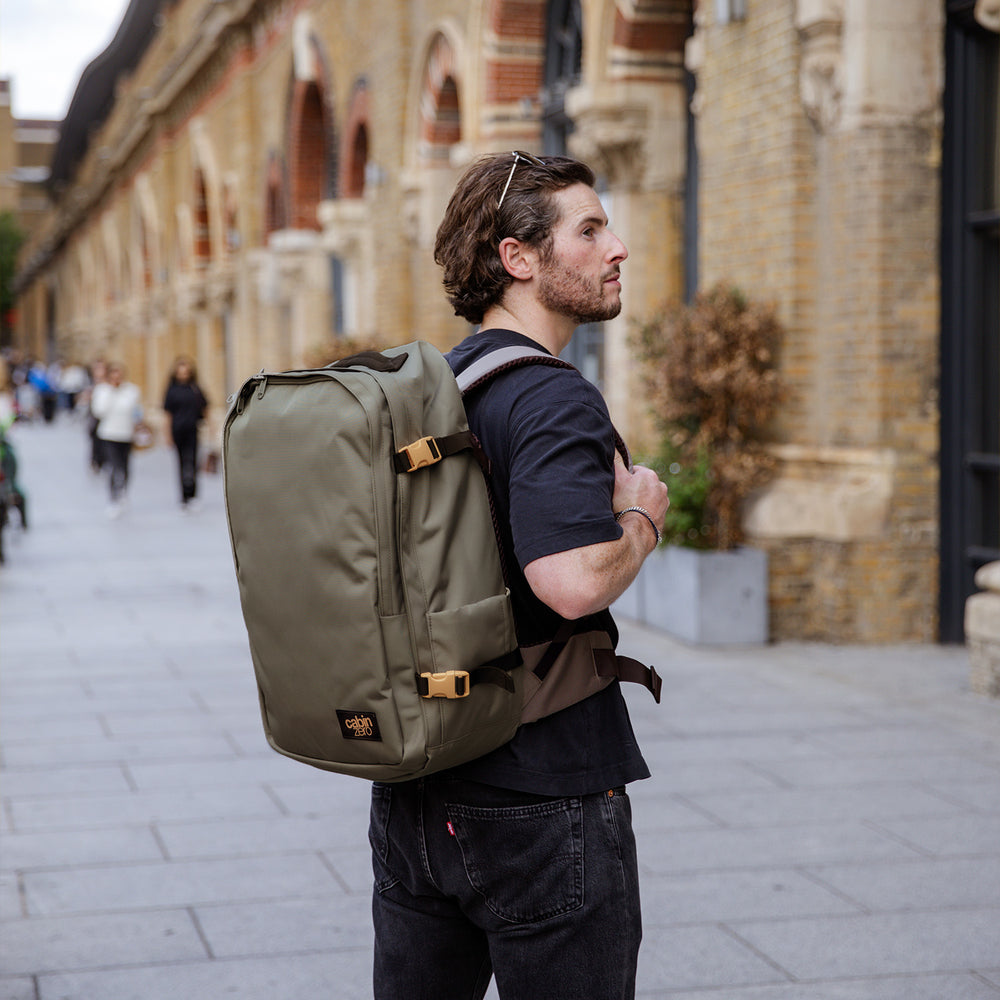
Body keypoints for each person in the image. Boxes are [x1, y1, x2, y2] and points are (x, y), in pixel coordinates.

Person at [368, 152, 670, 1000]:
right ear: (519, 258)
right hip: (537, 794)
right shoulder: (550, 398)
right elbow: (571, 584)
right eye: (590, 229)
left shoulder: (440, 388)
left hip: (418, 786)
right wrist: (642, 520)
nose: (618, 247)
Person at [90, 362, 143, 516]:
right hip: (109, 434)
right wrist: (111, 392)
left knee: (125, 466)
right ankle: (113, 497)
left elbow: (135, 410)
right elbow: (99, 411)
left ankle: (123, 490)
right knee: (113, 466)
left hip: (126, 434)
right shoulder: (102, 390)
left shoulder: (131, 390)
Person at [162, 356, 208, 511]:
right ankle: (183, 497)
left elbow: (205, 408)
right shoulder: (172, 391)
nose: (183, 375)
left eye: (186, 372)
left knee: (193, 462)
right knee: (181, 463)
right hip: (178, 431)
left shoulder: (195, 389)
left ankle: (193, 494)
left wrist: (212, 428)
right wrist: (167, 435)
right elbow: (167, 415)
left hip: (192, 430)